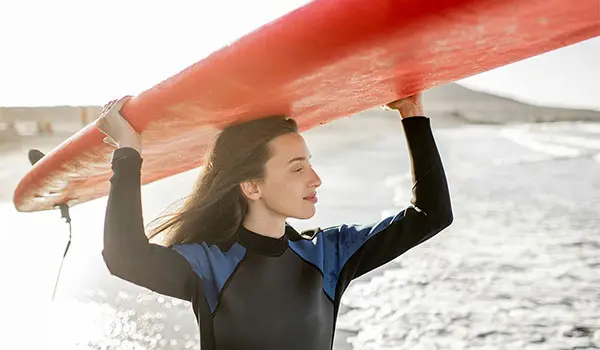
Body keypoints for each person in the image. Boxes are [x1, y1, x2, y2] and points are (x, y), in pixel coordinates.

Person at [96, 92, 453, 350]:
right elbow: (123, 255)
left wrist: (412, 114)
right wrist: (127, 152)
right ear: (252, 186)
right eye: (298, 168)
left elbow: (431, 215)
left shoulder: (329, 254)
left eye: (310, 163)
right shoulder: (210, 265)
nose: (315, 179)